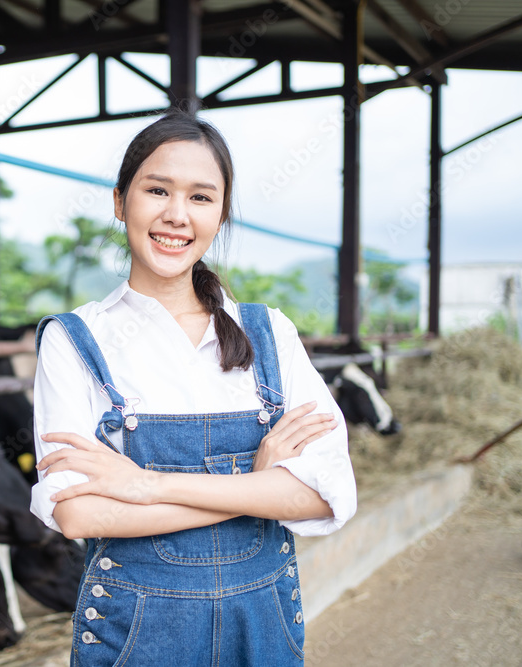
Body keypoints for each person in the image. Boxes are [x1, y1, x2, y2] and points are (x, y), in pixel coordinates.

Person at [31, 109, 357, 666]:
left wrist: (145, 485)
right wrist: (257, 485)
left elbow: (323, 495)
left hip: (261, 629)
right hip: (135, 635)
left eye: (201, 198)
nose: (176, 215)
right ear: (119, 201)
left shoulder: (270, 333)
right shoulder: (74, 340)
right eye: (157, 190)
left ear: (222, 212)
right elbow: (80, 515)